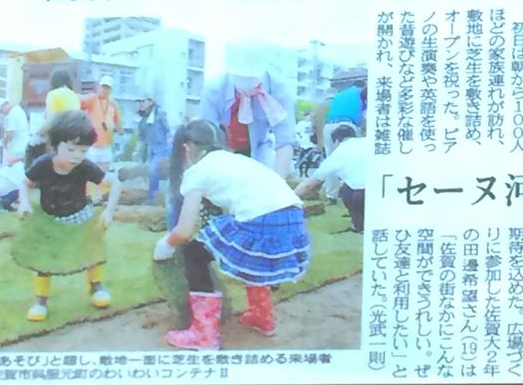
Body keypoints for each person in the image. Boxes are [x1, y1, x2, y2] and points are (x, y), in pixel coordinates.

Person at [153, 119, 310, 349]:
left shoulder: (197, 171)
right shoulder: (237, 159)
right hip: (293, 218)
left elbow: (184, 231)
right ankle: (262, 317)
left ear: (186, 148)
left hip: (260, 219)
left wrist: (166, 245)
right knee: (251, 256)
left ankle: (204, 335)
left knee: (194, 254)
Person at [13, 109, 120, 322]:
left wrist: (109, 211)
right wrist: (24, 202)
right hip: (50, 219)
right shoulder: (43, 164)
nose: (77, 156)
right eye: (71, 149)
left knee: (92, 250)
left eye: (83, 151)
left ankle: (96, 287)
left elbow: (115, 182)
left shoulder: (85, 166)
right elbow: (24, 183)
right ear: (55, 144)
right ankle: (41, 301)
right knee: (44, 259)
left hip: (80, 216)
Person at [199, 43, 296, 179]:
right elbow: (206, 136)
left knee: (272, 175)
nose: (245, 82)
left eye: (251, 78)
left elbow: (285, 140)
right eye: (240, 77)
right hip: (221, 151)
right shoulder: (214, 89)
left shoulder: (279, 90)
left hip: (260, 148)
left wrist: (279, 183)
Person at [294, 122, 366, 232]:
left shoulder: (338, 154)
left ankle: (359, 225)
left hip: (361, 194)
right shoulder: (368, 142)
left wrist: (289, 198)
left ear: (335, 142)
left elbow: (309, 184)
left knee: (346, 190)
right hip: (384, 189)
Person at [80, 73, 121, 202]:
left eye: (107, 87)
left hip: (106, 144)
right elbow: (79, 102)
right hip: (92, 144)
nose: (104, 90)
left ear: (111, 89)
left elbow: (118, 122)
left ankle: (100, 197)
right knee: (89, 172)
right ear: (99, 86)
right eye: (103, 86)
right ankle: (87, 196)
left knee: (103, 174)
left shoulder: (113, 104)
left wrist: (118, 129)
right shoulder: (92, 99)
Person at [134, 94, 171, 204]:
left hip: (164, 149)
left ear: (150, 102)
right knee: (150, 172)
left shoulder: (160, 114)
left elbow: (169, 130)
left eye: (143, 101)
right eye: (139, 102)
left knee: (153, 170)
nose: (140, 104)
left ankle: (153, 198)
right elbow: (141, 138)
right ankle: (153, 197)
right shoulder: (142, 120)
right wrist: (136, 151)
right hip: (152, 151)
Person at [0, 97, 30, 167]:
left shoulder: (13, 113)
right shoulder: (18, 110)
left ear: (4, 106)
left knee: (15, 167)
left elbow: (10, 133)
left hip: (17, 148)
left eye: (1, 111)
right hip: (23, 146)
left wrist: (4, 143)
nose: (2, 113)